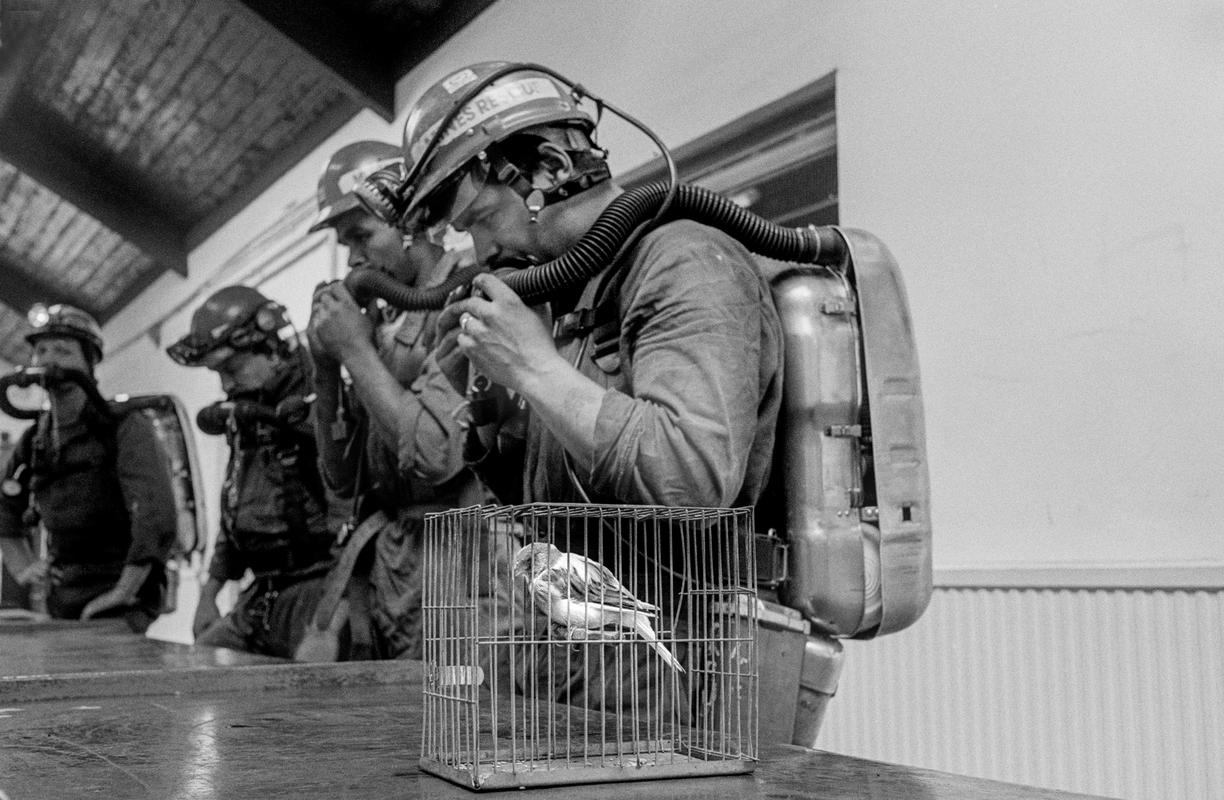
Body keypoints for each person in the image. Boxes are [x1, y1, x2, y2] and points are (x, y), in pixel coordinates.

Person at [384, 62, 784, 707]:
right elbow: (551, 506)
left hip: (676, 652)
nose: (481, 252)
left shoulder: (684, 259)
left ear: (545, 168)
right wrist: (495, 414)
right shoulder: (571, 292)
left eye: (481, 218)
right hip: (586, 644)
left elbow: (691, 478)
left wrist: (536, 369)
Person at [306, 140, 508, 660]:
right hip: (396, 562)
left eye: (361, 236)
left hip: (461, 563)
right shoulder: (380, 320)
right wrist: (327, 367)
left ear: (412, 217)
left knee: (453, 717)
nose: (353, 259)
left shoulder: (472, 290)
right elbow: (341, 482)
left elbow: (436, 456)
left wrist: (354, 348)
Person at [167, 286, 337, 658]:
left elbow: (357, 509)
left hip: (320, 587)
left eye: (232, 368)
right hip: (263, 592)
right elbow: (239, 505)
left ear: (271, 348)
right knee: (199, 666)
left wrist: (332, 621)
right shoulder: (248, 414)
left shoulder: (320, 398)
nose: (226, 385)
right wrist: (208, 594)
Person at [0, 304, 177, 632]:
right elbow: (5, 510)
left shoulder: (123, 425)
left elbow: (155, 515)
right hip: (62, 595)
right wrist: (24, 568)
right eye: (41, 350)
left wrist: (124, 590)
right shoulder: (34, 440)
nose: (48, 359)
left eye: (63, 350)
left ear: (90, 360)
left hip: (121, 594)